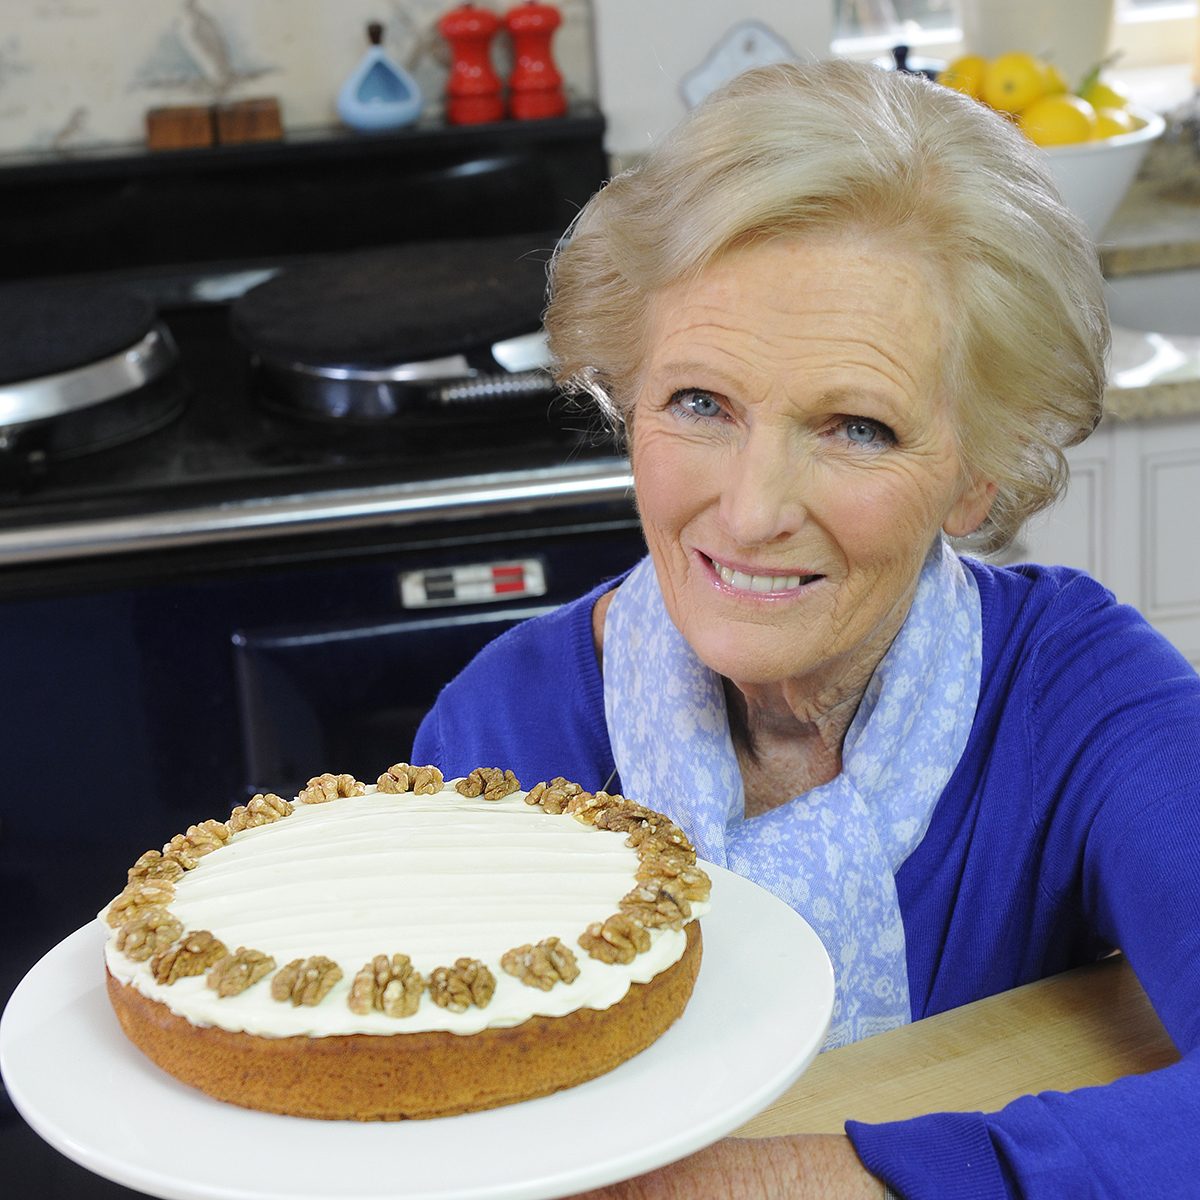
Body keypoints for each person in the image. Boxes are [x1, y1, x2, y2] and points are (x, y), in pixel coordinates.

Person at [413, 59, 1200, 1199]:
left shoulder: (1080, 698)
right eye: (699, 404)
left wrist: (789, 1184)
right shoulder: (501, 728)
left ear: (977, 476)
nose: (751, 510)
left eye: (858, 427)